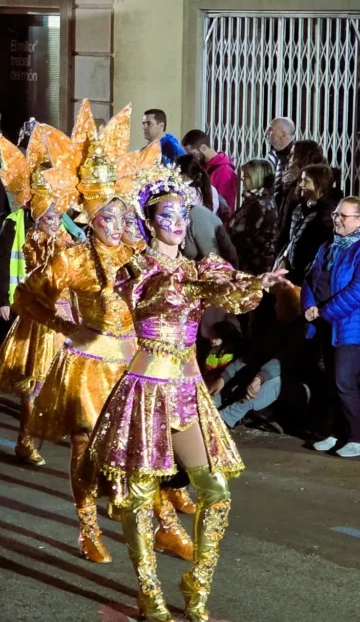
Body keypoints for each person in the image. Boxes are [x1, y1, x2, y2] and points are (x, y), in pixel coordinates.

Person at [87, 164, 283, 622]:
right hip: (146, 387)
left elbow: (232, 291)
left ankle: (197, 581)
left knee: (216, 490)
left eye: (183, 215)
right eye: (168, 215)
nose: (178, 223)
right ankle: (148, 589)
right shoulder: (135, 266)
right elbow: (145, 296)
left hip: (186, 388)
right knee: (139, 494)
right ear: (151, 222)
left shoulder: (200, 266)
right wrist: (187, 280)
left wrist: (257, 284)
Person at [20, 105, 161, 564]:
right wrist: (65, 326)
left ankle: (144, 514)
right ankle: (87, 526)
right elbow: (28, 298)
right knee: (85, 441)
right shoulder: (74, 258)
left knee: (136, 441)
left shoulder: (137, 254)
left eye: (120, 217)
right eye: (106, 218)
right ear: (90, 217)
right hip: (87, 362)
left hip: (132, 362)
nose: (116, 226)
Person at [0, 129, 76, 464]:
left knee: (71, 378)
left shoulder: (68, 236)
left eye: (57, 213)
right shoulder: (17, 226)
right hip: (36, 316)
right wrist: (4, 300)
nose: (54, 220)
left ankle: (66, 432)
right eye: (48, 214)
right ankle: (25, 439)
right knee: (33, 382)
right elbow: (3, 262)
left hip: (67, 317)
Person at [302, 196, 360, 458]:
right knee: (328, 382)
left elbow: (356, 291)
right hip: (325, 325)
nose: (336, 219)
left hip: (349, 327)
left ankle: (356, 437)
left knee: (344, 381)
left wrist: (324, 311)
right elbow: (310, 278)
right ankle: (335, 433)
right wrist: (309, 305)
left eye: (343, 216)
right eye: (336, 214)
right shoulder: (327, 247)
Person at [275, 163, 336, 286]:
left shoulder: (328, 214)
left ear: (319, 183)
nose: (301, 185)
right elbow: (291, 239)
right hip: (292, 271)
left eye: (306, 181)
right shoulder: (299, 208)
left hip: (310, 277)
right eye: (300, 180)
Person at [176, 155, 238, 266]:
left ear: (182, 174)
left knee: (210, 262)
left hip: (196, 234)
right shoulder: (210, 189)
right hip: (210, 231)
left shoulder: (181, 192)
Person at [228, 158, 279, 275]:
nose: (242, 179)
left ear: (256, 178)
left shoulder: (259, 204)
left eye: (246, 176)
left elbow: (245, 235)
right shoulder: (254, 200)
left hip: (252, 266)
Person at [182, 129, 238, 215]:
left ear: (203, 148)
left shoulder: (224, 171)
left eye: (192, 154)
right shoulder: (202, 166)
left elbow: (226, 208)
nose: (191, 159)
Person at [266, 116, 296, 207]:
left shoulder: (297, 157)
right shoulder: (271, 156)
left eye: (271, 129)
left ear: (283, 134)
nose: (267, 133)